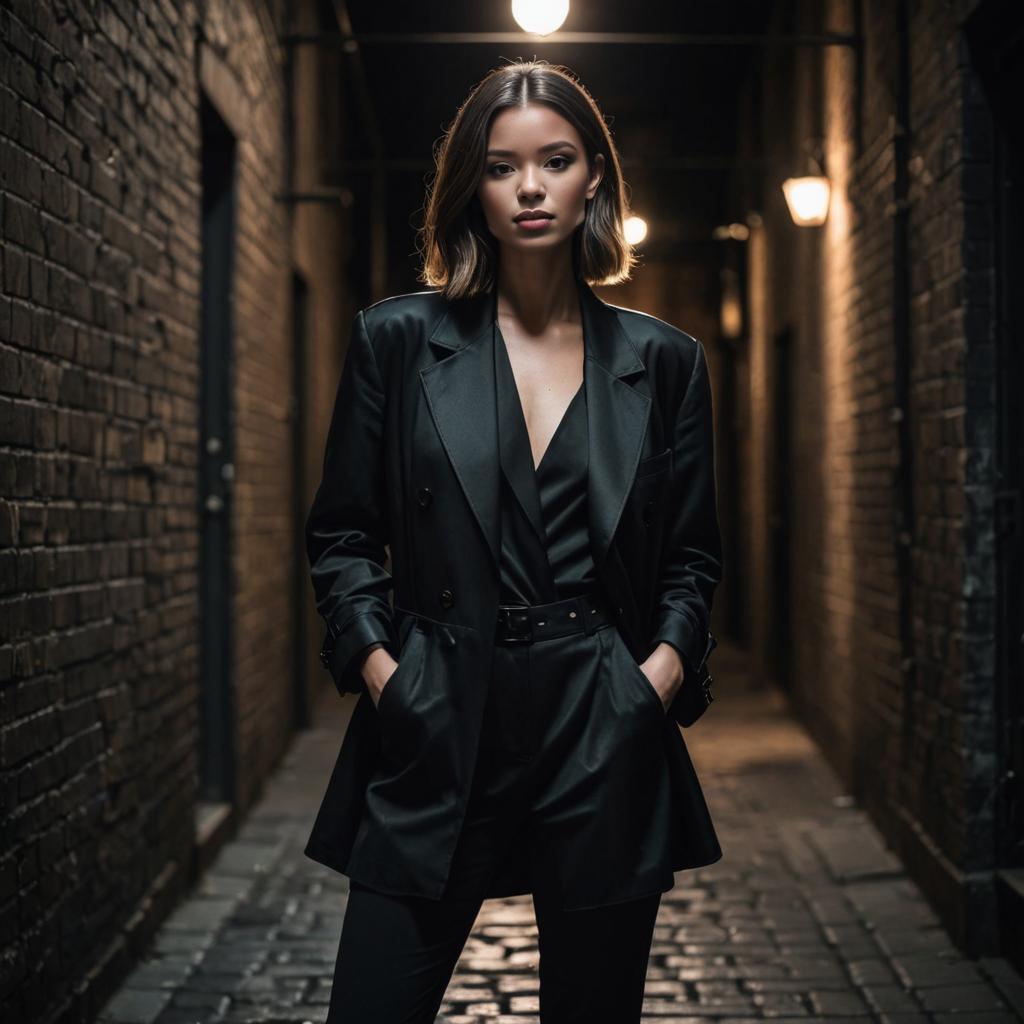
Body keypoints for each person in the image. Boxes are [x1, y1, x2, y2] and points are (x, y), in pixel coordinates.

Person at [307, 59, 724, 1024]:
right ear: (473, 189)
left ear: (594, 181)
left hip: (600, 717)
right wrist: (383, 670)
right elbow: (342, 534)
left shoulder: (664, 363)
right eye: (502, 167)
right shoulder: (397, 341)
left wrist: (651, 680)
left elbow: (694, 558)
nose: (530, 187)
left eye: (557, 160)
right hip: (438, 706)